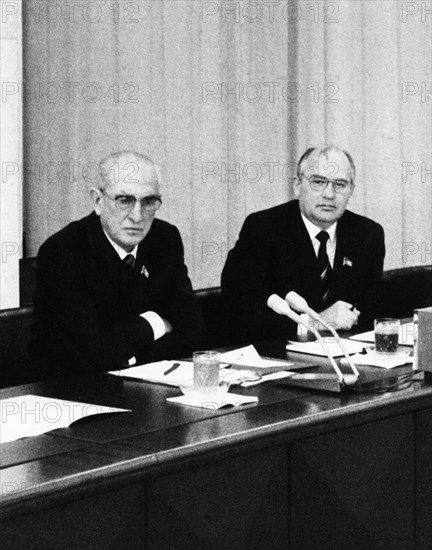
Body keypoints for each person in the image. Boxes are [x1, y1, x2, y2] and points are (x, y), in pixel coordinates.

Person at [30, 151, 205, 378]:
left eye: (149, 201)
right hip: (70, 391)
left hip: (146, 387)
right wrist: (156, 323)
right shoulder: (64, 251)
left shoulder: (165, 239)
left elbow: (194, 333)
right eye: (124, 200)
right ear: (98, 201)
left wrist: (131, 357)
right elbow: (92, 353)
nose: (137, 215)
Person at [221, 145, 385, 342]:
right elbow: (240, 313)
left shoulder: (367, 234)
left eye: (340, 185)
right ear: (298, 186)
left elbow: (369, 313)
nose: (329, 194)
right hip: (280, 357)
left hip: (347, 356)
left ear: (351, 190)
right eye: (318, 182)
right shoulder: (263, 229)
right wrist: (315, 322)